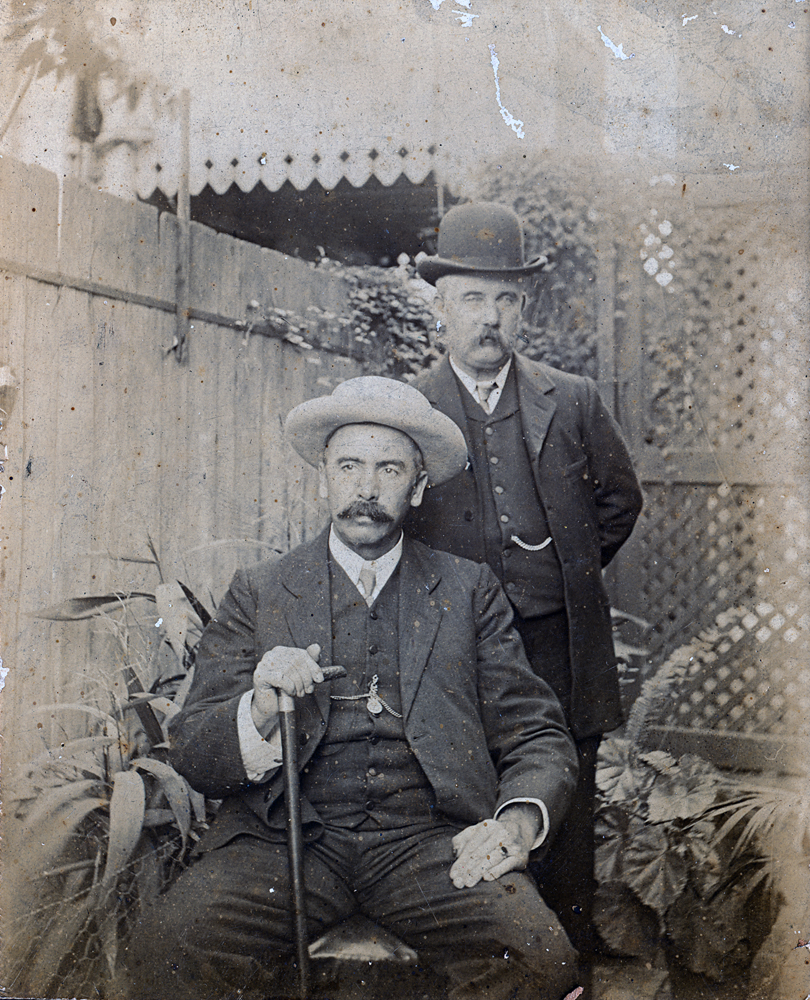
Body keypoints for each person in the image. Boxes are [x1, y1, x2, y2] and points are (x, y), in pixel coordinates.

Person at [126, 376, 582, 1000]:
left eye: (389, 469)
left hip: (430, 844)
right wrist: (260, 709)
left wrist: (518, 823)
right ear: (324, 477)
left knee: (541, 960)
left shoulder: (468, 590)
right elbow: (195, 750)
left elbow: (536, 734)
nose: (366, 489)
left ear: (417, 487)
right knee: (169, 946)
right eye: (349, 466)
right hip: (286, 840)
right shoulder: (260, 591)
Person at [410, 202, 644, 959]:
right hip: (456, 646)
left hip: (558, 642)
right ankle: (494, 954)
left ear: (524, 307)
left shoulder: (570, 398)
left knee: (566, 794)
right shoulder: (412, 409)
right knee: (471, 789)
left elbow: (619, 500)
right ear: (442, 305)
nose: (490, 317)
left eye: (505, 299)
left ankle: (572, 952)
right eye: (472, 298)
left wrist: (564, 569)